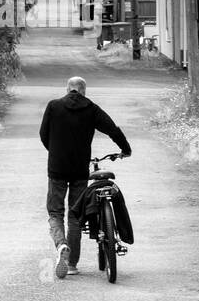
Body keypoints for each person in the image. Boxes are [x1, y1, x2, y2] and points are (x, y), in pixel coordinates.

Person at [39, 76, 132, 279]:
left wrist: (55, 152)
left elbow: (43, 134)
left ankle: (61, 244)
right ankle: (71, 264)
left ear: (67, 89)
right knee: (74, 215)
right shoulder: (91, 108)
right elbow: (112, 129)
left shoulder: (53, 106)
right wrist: (126, 149)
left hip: (57, 169)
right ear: (83, 91)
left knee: (55, 213)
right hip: (80, 170)